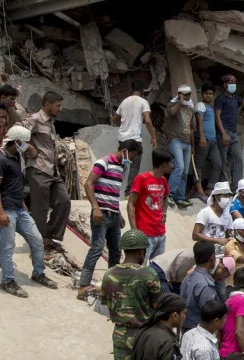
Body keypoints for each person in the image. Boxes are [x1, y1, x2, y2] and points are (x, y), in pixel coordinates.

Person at [77, 139, 142, 298]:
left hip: (113, 214)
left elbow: (113, 193)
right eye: (132, 157)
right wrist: (95, 208)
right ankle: (83, 285)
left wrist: (118, 214)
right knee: (97, 248)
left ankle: (111, 285)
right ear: (125, 150)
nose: (131, 160)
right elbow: (88, 184)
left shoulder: (121, 167)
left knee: (115, 252)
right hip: (101, 214)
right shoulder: (103, 162)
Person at [0, 125, 58, 297]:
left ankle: (38, 273)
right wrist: (1, 213)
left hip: (20, 209)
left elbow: (34, 153)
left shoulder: (17, 155)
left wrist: (27, 146)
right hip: (7, 210)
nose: (27, 146)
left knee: (37, 240)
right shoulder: (1, 160)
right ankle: (7, 280)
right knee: (7, 247)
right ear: (16, 142)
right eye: (24, 143)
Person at [17, 91, 71, 253]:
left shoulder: (50, 122)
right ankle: (38, 244)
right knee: (40, 209)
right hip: (39, 169)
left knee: (64, 202)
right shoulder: (35, 119)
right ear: (48, 105)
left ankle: (49, 236)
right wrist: (29, 147)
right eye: (58, 105)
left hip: (52, 172)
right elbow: (14, 134)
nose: (60, 109)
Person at [101, 229, 162, 360]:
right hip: (143, 335)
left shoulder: (109, 274)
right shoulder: (149, 274)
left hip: (119, 334)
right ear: (141, 252)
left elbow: (107, 303)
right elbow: (158, 305)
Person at [129, 148, 173, 262]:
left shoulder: (163, 180)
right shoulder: (141, 179)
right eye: (170, 163)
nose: (172, 166)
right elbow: (130, 203)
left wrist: (164, 213)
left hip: (160, 233)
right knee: (140, 267)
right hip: (144, 233)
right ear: (163, 165)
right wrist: (134, 230)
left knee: (157, 268)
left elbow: (166, 197)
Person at [113, 81, 158, 192]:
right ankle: (129, 192)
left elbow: (115, 118)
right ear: (142, 91)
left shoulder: (124, 101)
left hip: (122, 138)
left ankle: (115, 188)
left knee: (123, 163)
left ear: (130, 89)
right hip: (135, 139)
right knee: (134, 165)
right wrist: (153, 136)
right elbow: (147, 120)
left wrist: (122, 125)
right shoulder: (143, 102)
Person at [180, 241, 234, 332]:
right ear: (212, 258)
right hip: (198, 330)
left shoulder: (187, 278)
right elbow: (210, 315)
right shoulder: (206, 285)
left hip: (186, 326)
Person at [165, 85, 197, 208]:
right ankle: (169, 195)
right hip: (176, 140)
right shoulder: (172, 105)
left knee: (184, 171)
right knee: (179, 167)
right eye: (185, 94)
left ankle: (180, 197)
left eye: (189, 94)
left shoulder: (190, 109)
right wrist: (179, 100)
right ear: (179, 94)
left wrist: (193, 145)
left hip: (187, 143)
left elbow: (191, 129)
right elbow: (171, 112)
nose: (187, 96)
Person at [132, 292, 187, 360]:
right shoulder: (168, 343)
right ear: (175, 315)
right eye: (184, 313)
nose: (185, 316)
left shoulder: (145, 331)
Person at [221, 267, 244, 357]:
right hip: (236, 353)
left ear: (234, 283)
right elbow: (239, 331)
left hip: (224, 350)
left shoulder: (229, 300)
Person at [193, 84, 223, 194]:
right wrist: (202, 137)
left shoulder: (210, 107)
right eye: (206, 93)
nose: (208, 96)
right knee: (199, 164)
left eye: (210, 94)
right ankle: (199, 189)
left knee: (218, 164)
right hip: (203, 139)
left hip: (213, 141)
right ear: (202, 94)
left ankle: (210, 188)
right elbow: (199, 122)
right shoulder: (200, 105)